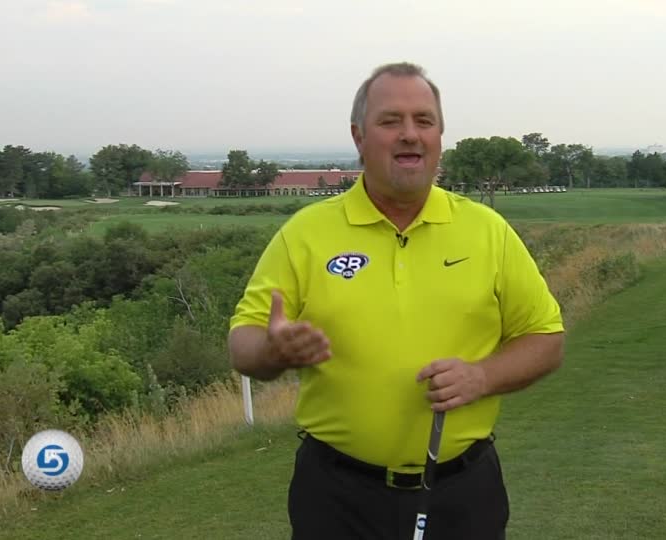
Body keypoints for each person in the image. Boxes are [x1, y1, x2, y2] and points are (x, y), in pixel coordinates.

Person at [227, 61, 565, 540]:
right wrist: (271, 351)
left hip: (464, 494)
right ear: (359, 136)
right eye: (391, 121)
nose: (410, 134)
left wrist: (482, 376)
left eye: (424, 121)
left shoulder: (488, 231)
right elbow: (243, 343)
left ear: (439, 136)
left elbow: (545, 339)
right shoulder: (304, 234)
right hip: (337, 499)